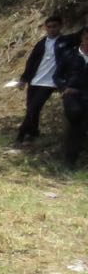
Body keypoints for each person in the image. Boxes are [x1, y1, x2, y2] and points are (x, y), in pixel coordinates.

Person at [16, 15, 69, 143]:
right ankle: (33, 133)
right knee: (31, 109)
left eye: (54, 26)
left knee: (34, 107)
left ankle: (20, 135)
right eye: (49, 27)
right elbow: (32, 61)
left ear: (60, 26)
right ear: (45, 28)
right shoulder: (41, 43)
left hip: (50, 82)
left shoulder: (66, 42)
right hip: (35, 80)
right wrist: (24, 79)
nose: (51, 29)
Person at [55, 26, 88, 168]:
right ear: (82, 38)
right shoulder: (70, 55)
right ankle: (69, 162)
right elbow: (57, 76)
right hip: (73, 95)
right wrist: (64, 87)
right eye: (87, 38)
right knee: (75, 119)